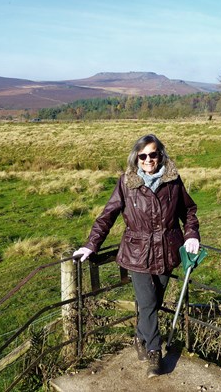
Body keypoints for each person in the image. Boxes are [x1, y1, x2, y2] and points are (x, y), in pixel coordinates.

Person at [73, 133, 200, 378]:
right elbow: (107, 216)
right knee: (148, 302)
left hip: (167, 251)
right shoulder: (126, 182)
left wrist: (191, 234)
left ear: (160, 155)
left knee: (155, 302)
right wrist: (91, 245)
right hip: (137, 253)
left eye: (153, 154)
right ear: (136, 158)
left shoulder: (173, 181)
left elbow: (189, 210)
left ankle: (140, 337)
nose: (148, 160)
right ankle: (154, 353)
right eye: (143, 156)